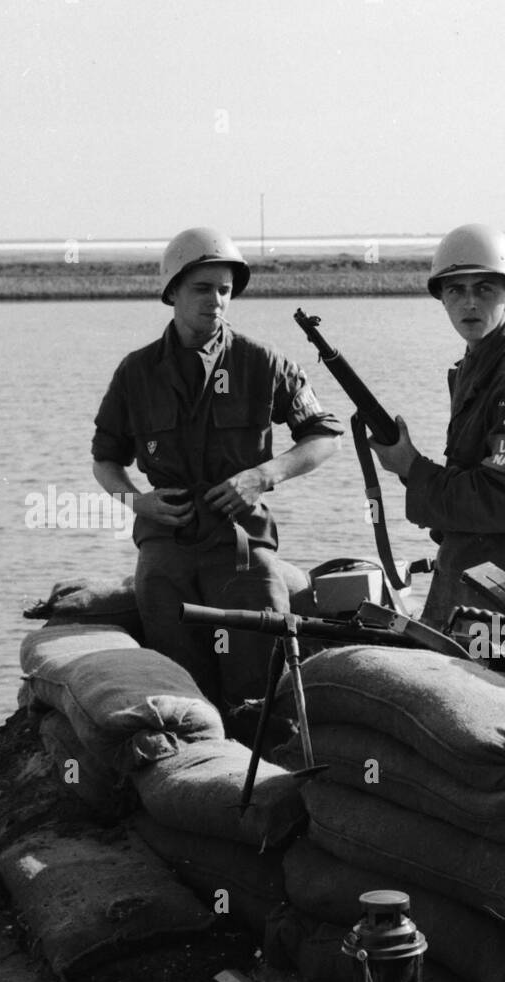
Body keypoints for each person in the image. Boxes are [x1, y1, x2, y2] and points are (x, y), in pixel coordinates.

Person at [91, 227, 342, 709]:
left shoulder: (261, 362)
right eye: (202, 289)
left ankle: (261, 768)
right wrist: (136, 501)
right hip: (169, 540)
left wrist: (264, 476)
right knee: (178, 686)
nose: (217, 301)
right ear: (172, 293)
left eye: (225, 290)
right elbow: (105, 459)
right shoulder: (136, 373)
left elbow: (324, 437)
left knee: (262, 689)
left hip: (240, 539)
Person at [368, 223, 505, 629]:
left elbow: (502, 504)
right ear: (441, 298)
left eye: (484, 290)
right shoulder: (479, 365)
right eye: (455, 290)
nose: (469, 303)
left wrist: (413, 469)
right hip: (469, 584)